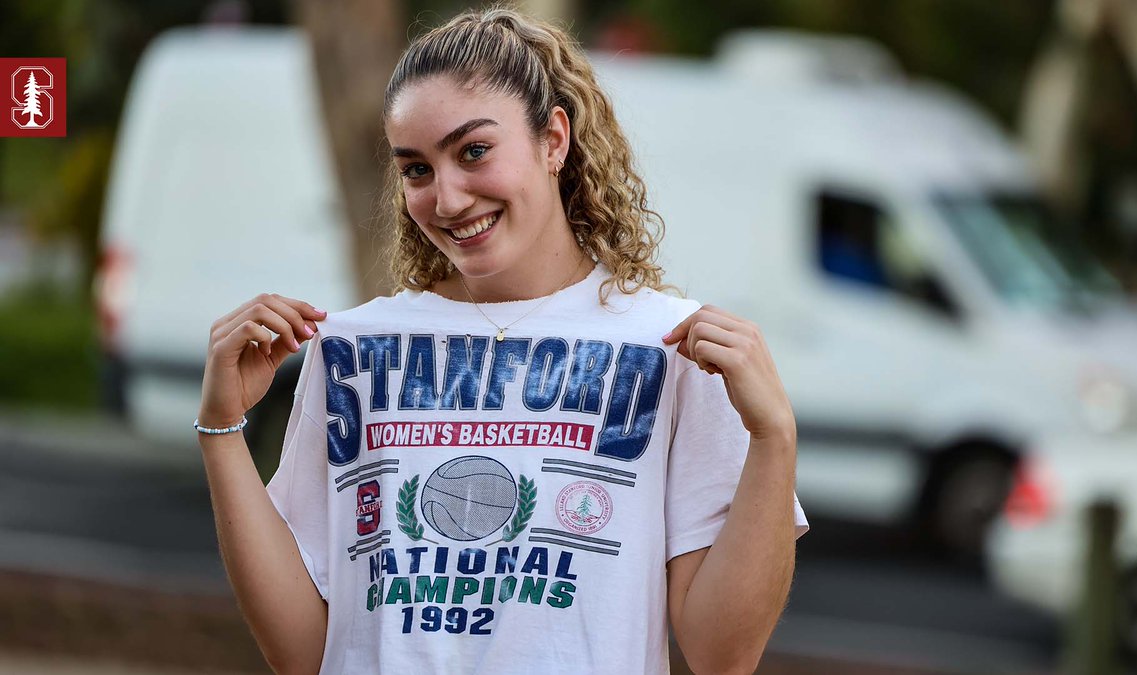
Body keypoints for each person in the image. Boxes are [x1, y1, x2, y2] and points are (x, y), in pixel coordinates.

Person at [196, 7, 807, 674]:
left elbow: (725, 654)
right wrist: (221, 429)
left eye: (473, 152)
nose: (448, 198)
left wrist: (774, 438)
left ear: (553, 140)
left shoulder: (671, 346)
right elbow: (301, 652)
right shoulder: (352, 350)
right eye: (417, 169)